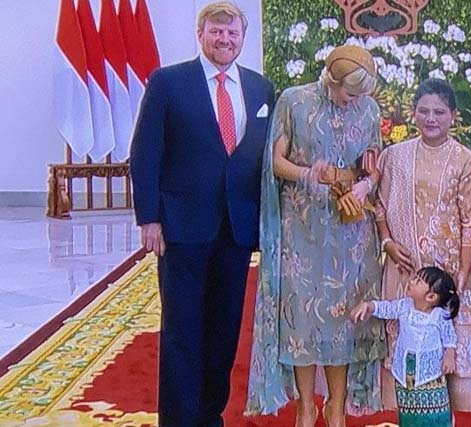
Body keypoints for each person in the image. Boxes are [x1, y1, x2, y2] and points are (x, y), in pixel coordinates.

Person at [129, 2, 275, 426]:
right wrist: (149, 217)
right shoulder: (168, 83)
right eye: (217, 32)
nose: (224, 40)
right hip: (181, 227)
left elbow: (264, 158)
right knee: (182, 331)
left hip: (237, 228)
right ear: (201, 34)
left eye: (232, 34)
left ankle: (210, 416)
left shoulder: (260, 89)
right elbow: (146, 152)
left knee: (223, 331)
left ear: (242, 39)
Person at [245, 45, 386, 427]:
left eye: (360, 96)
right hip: (302, 229)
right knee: (303, 321)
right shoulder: (294, 101)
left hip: (350, 229)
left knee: (344, 321)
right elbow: (276, 161)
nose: (353, 101)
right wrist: (308, 174)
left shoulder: (368, 109)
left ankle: (336, 408)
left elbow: (375, 162)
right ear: (331, 79)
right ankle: (307, 406)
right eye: (349, 93)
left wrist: (365, 185)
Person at [374, 78, 471, 413]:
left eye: (439, 111)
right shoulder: (394, 156)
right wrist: (388, 242)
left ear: (453, 115)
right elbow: (379, 206)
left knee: (445, 352)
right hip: (407, 272)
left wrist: (462, 275)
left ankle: (444, 419)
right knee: (406, 350)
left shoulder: (466, 161)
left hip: (448, 276)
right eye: (424, 111)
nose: (431, 118)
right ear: (413, 113)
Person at [351, 267, 460, 427]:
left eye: (418, 281)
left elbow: (449, 337)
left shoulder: (440, 315)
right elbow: (387, 308)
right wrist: (369, 306)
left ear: (431, 297)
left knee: (435, 416)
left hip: (430, 376)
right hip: (404, 373)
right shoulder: (404, 306)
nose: (411, 282)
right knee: (408, 413)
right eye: (414, 278)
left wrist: (449, 355)